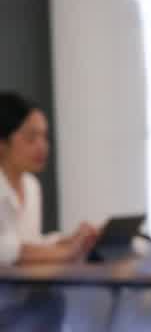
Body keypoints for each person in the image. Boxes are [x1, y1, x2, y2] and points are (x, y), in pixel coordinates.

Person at [0, 91, 98, 266]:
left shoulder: (31, 186)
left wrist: (72, 240)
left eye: (44, 137)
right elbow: (6, 249)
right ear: (2, 142)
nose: (42, 146)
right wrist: (66, 252)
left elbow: (31, 243)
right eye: (31, 138)